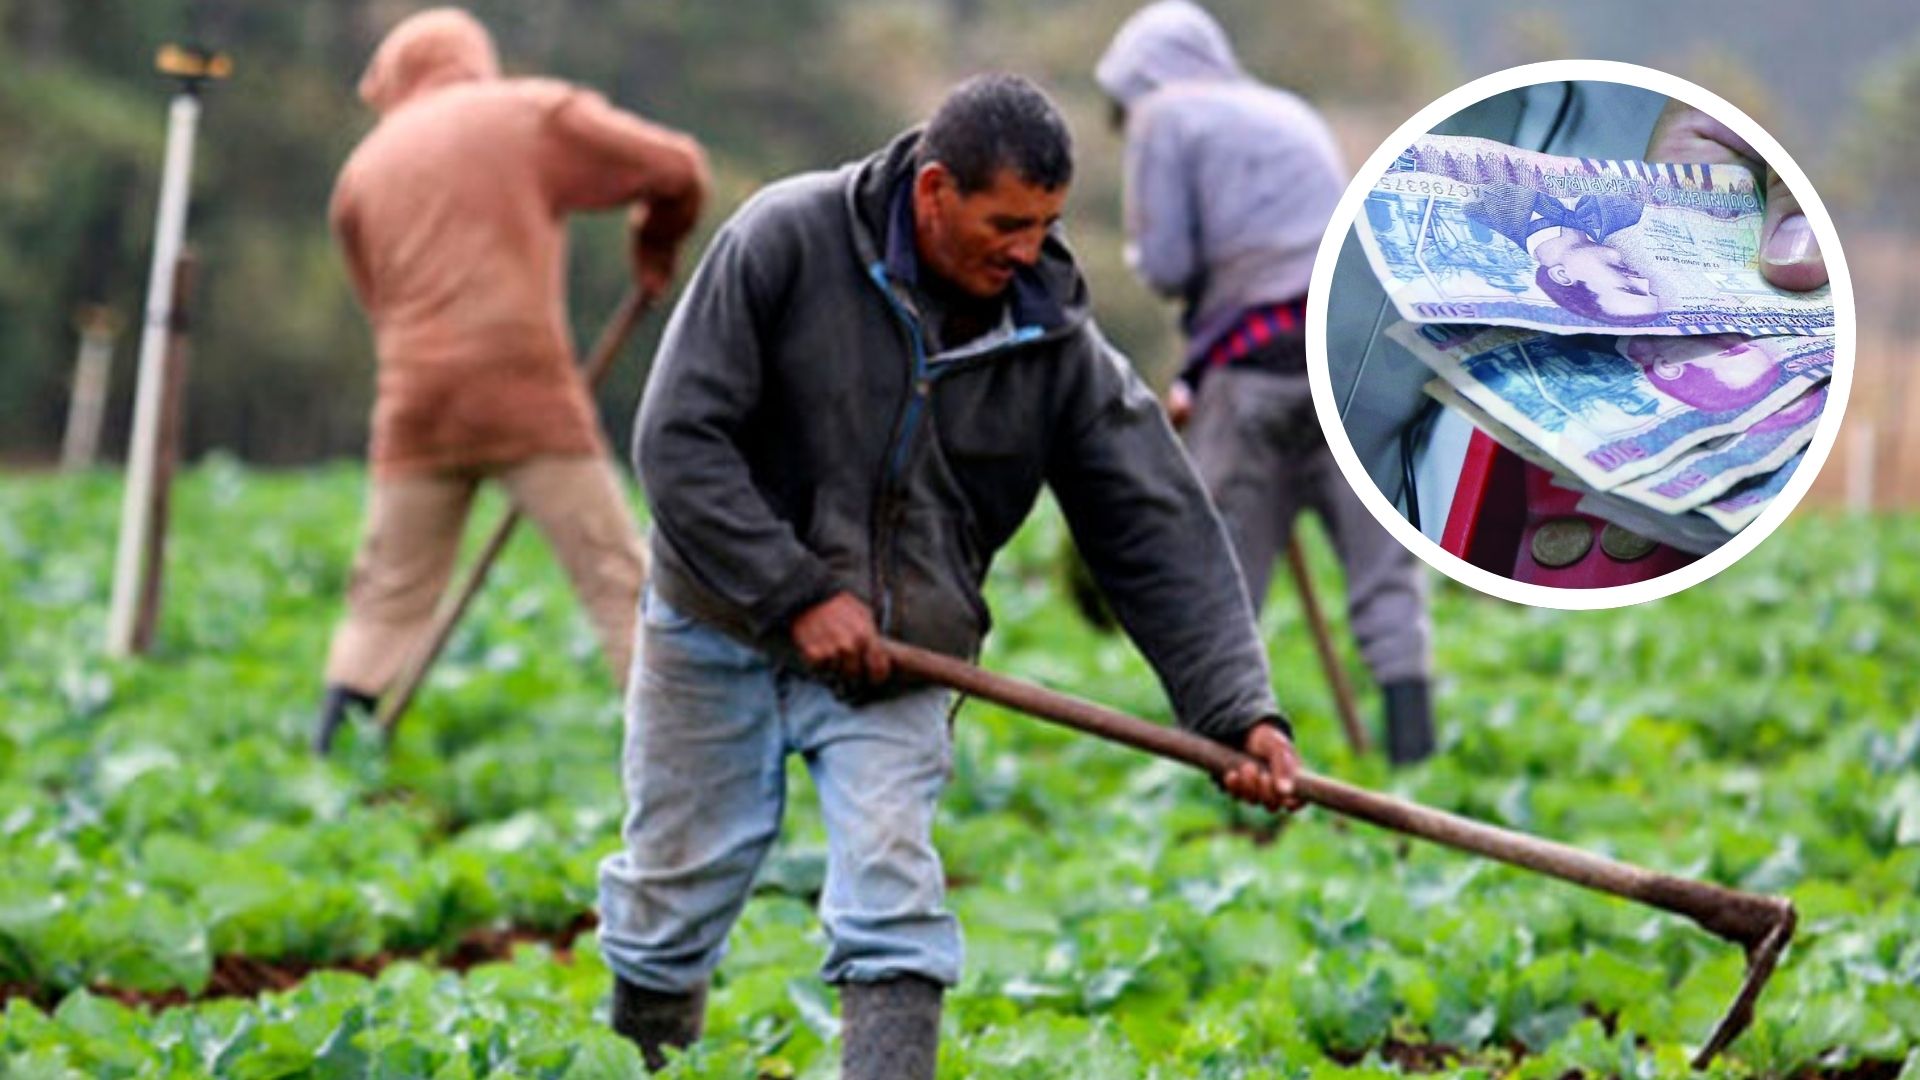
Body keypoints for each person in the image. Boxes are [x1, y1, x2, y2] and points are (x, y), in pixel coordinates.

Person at [595, 74, 1303, 1078]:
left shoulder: (1052, 338)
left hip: (903, 649)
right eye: (1006, 222)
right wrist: (794, 592)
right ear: (934, 192)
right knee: (671, 892)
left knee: (891, 890)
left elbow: (1157, 526)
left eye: (1048, 223)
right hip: (717, 620)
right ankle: (646, 1061)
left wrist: (1237, 712)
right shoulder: (783, 242)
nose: (1028, 249)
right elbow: (677, 442)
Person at [312, 7, 708, 753]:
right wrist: (654, 244)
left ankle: (329, 758)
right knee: (615, 578)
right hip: (524, 395)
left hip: (415, 402)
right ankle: (677, 760)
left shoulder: (361, 172)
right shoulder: (524, 115)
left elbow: (379, 304)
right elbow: (678, 168)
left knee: (386, 595)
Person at [1095, 0, 1435, 764]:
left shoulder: (1162, 115)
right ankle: (1420, 769)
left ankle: (1235, 784)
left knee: (1226, 588)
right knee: (1384, 575)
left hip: (1251, 369)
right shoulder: (1288, 110)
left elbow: (1169, 263)